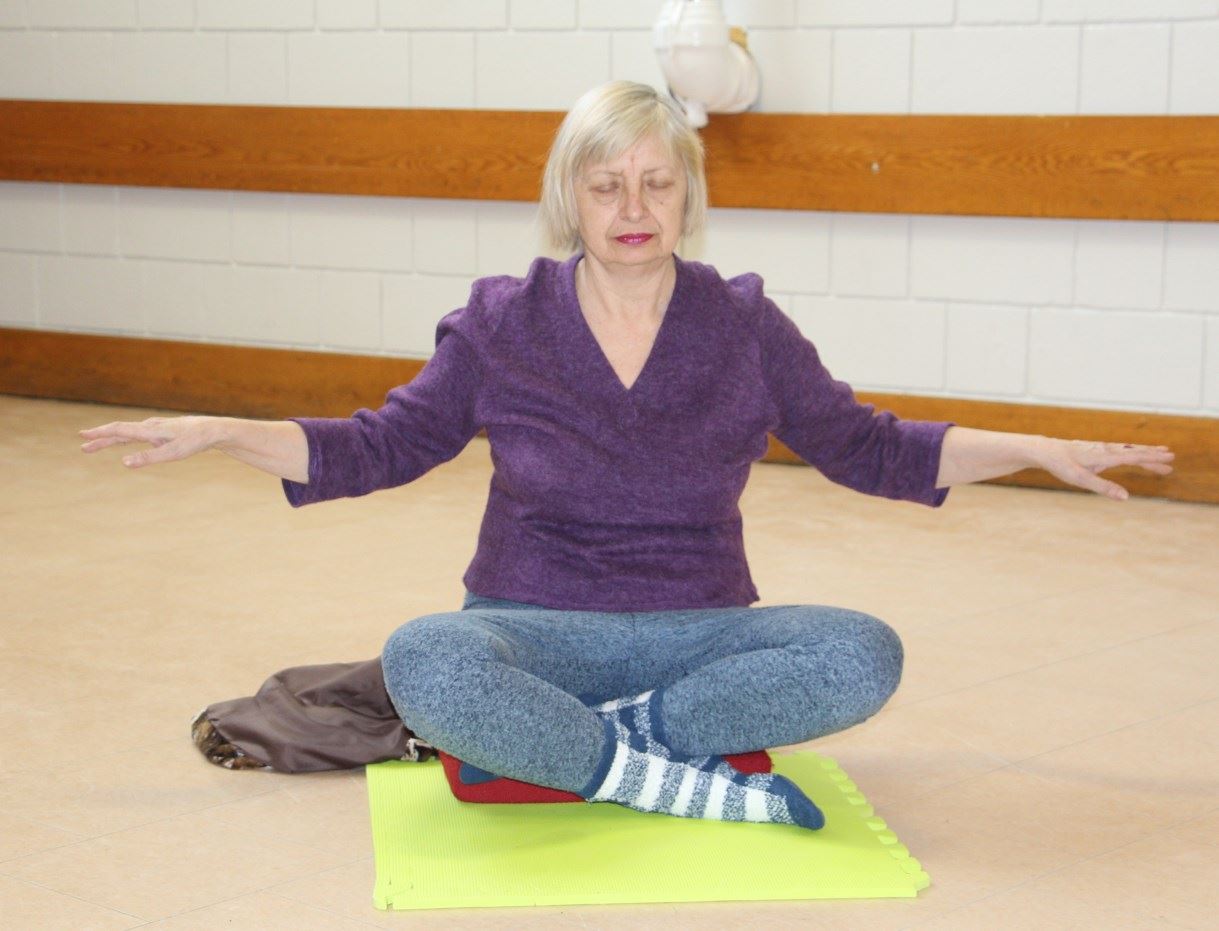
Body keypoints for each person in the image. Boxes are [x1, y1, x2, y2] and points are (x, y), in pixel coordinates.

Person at [81, 81, 1174, 831]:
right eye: (605, 184)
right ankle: (662, 778)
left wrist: (1035, 449)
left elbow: (869, 446)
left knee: (863, 654)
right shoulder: (503, 320)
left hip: (698, 636)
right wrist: (223, 432)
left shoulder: (743, 325)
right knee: (425, 659)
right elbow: (384, 442)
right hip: (532, 628)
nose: (632, 207)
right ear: (570, 197)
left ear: (689, 194)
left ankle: (601, 752)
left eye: (656, 182)